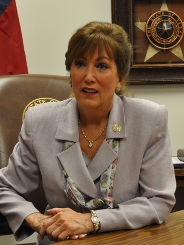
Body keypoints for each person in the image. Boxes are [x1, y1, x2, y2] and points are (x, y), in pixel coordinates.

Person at [0, 21, 176, 245]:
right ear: (70, 73)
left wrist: (91, 220)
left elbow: (159, 201)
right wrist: (37, 220)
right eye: (80, 64)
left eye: (102, 66)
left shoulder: (149, 119)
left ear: (120, 77)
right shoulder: (39, 121)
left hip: (125, 239)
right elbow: (5, 187)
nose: (89, 76)